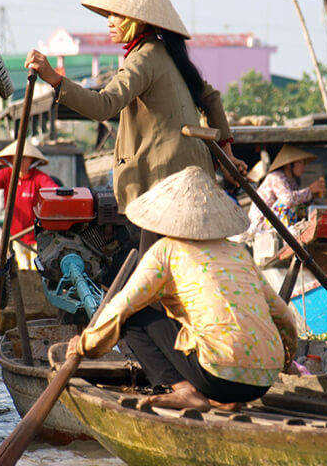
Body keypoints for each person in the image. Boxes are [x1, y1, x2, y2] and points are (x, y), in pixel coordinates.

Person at [24, 0, 247, 254]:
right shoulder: (168, 54)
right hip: (191, 180)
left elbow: (103, 106)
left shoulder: (143, 59)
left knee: (152, 268)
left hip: (162, 187)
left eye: (116, 15)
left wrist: (54, 79)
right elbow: (212, 99)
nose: (109, 22)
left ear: (137, 20)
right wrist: (226, 155)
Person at [68, 166, 298, 411]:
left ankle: (185, 390)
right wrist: (286, 361)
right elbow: (283, 315)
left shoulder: (166, 250)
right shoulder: (239, 253)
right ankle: (227, 399)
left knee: (134, 316)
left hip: (218, 375)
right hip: (264, 380)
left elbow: (122, 306)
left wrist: (84, 345)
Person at [0, 139, 57, 268]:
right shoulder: (7, 175)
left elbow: (53, 190)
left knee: (38, 269)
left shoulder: (38, 177)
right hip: (17, 236)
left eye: (24, 158)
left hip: (37, 235)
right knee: (23, 266)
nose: (19, 161)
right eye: (16, 158)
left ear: (31, 160)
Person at [243, 144, 326, 238]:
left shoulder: (291, 182)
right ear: (289, 165)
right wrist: (309, 190)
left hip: (274, 222)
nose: (304, 167)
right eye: (301, 163)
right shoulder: (276, 177)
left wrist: (312, 196)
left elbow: (298, 204)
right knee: (285, 205)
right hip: (260, 225)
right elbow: (288, 200)